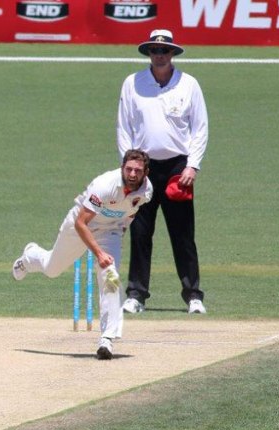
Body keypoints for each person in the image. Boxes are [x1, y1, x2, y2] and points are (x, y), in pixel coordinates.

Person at [12, 150, 154, 360]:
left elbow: (130, 213)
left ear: (146, 172)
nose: (133, 174)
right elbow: (81, 223)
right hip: (80, 226)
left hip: (110, 231)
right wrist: (98, 253)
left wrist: (118, 233)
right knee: (53, 269)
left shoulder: (146, 191)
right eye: (129, 169)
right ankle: (31, 256)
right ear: (122, 167)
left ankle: (107, 338)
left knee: (111, 277)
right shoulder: (104, 185)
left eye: (138, 171)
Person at [117, 29, 209, 315]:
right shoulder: (133, 83)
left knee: (183, 233)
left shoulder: (188, 84)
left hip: (177, 168)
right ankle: (136, 295)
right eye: (154, 51)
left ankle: (193, 295)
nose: (159, 55)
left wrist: (193, 165)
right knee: (140, 232)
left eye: (164, 51)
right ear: (148, 53)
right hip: (142, 166)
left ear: (172, 54)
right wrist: (129, 167)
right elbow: (124, 127)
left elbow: (200, 127)